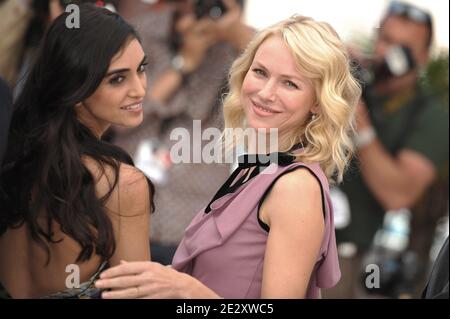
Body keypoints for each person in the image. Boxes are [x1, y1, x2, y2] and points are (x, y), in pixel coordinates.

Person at [95, 15, 362, 299]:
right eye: (260, 72)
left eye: (290, 84)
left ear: (319, 103)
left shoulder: (295, 187)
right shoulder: (257, 168)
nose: (266, 92)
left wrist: (187, 290)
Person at [0, 4, 154, 299]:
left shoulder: (15, 155)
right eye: (118, 78)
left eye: (142, 69)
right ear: (77, 88)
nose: (140, 90)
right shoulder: (122, 185)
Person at [112, 0, 254, 265]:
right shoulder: (143, 31)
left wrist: (232, 30)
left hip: (192, 218)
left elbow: (285, 64)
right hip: (127, 205)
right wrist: (184, 63)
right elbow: (121, 113)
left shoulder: (238, 48)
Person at [329, 1, 449, 298]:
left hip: (350, 258)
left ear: (422, 57)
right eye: (386, 40)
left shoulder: (431, 115)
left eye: (404, 47)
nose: (388, 53)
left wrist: (359, 120)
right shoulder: (354, 78)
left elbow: (398, 194)